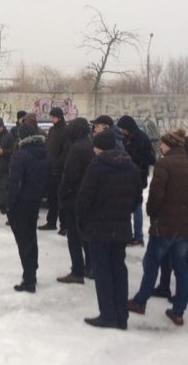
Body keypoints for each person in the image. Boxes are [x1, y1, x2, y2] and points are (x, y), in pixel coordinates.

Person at [76, 130, 142, 330]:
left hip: (98, 228)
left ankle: (108, 315)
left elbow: (84, 199)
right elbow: (137, 199)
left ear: (98, 148)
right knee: (119, 270)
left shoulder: (96, 167)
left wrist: (83, 222)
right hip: (121, 227)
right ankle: (121, 316)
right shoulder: (131, 167)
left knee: (103, 271)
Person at [128, 129, 188, 327]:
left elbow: (156, 195)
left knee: (151, 264)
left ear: (169, 145)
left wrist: (152, 213)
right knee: (182, 269)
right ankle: (178, 311)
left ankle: (140, 301)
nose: (160, 146)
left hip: (164, 225)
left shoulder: (165, 164)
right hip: (184, 227)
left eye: (162, 143)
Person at [7, 123, 51, 293]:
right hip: (35, 201)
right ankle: (32, 271)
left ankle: (29, 278)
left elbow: (14, 183)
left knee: (24, 241)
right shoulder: (44, 152)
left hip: (21, 203)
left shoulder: (21, 155)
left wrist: (9, 205)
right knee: (31, 238)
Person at [56, 118, 94, 284]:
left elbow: (69, 175)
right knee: (85, 234)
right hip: (88, 196)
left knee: (74, 236)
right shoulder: (91, 144)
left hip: (74, 197)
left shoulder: (76, 148)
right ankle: (90, 266)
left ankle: (77, 271)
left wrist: (62, 194)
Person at [117, 115, 157, 246]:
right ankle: (128, 234)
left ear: (129, 127)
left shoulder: (141, 139)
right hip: (128, 175)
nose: (122, 131)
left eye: (123, 128)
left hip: (138, 176)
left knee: (136, 206)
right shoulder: (127, 138)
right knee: (127, 205)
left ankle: (138, 236)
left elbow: (150, 159)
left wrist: (134, 159)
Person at [40, 107, 67, 232]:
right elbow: (48, 147)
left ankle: (64, 225)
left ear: (59, 117)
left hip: (60, 170)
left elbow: (65, 151)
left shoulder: (65, 130)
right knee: (52, 198)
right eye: (51, 117)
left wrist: (57, 162)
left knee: (61, 198)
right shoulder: (52, 130)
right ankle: (51, 222)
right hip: (50, 169)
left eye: (53, 117)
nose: (52, 119)